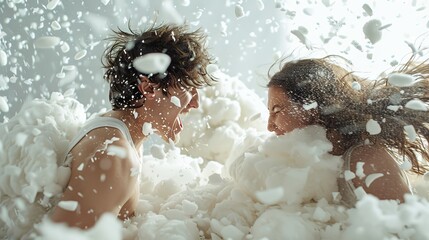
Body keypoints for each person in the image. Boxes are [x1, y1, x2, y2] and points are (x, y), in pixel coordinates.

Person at [50, 23, 215, 229]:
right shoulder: (114, 155)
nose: (196, 103)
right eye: (189, 88)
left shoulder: (122, 136)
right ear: (148, 87)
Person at [266, 55, 429, 207]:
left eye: (277, 110)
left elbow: (407, 234)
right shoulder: (315, 167)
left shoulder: (365, 161)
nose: (270, 126)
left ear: (312, 108)